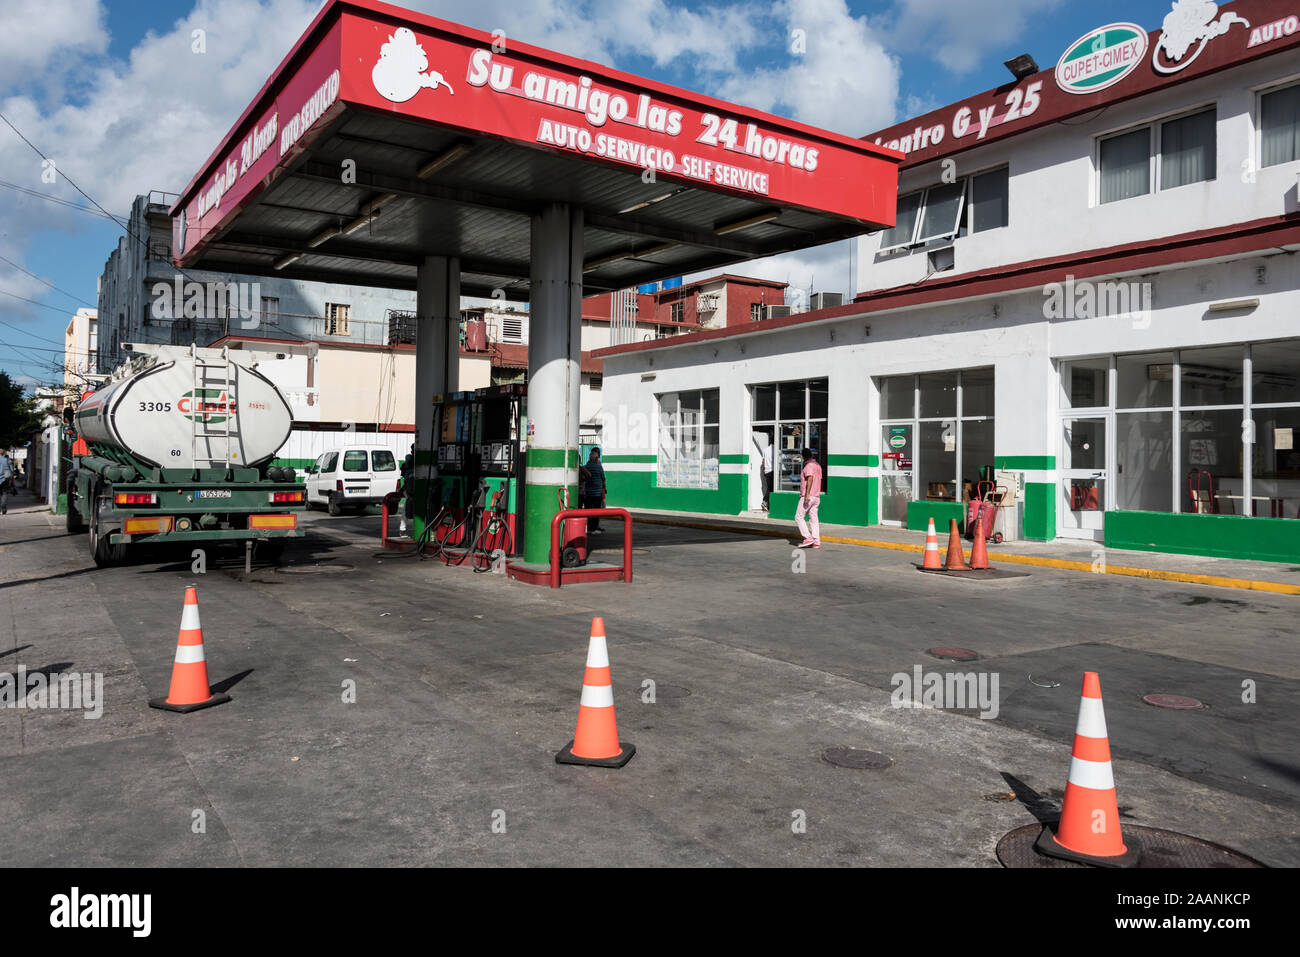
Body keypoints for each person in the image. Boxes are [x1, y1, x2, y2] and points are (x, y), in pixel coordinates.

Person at [795, 447, 822, 549]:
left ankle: (808, 538)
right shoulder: (817, 466)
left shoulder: (809, 466)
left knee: (799, 516)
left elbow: (810, 479)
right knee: (814, 519)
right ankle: (816, 540)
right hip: (816, 496)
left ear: (803, 456)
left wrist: (806, 494)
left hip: (809, 496)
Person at [579, 447, 606, 533]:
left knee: (588, 510)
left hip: (588, 493)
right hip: (597, 493)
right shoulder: (599, 467)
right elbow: (603, 478)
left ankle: (588, 528)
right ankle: (594, 528)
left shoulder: (586, 467)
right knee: (596, 511)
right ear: (596, 458)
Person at [760, 432, 774, 510]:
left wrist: (764, 470)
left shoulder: (765, 450)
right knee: (771, 489)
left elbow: (763, 462)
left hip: (767, 471)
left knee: (769, 488)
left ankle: (767, 504)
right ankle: (765, 502)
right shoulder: (776, 449)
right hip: (773, 471)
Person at [0, 449, 14, 516]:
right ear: (3, 453)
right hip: (5, 479)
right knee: (4, 493)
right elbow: (11, 471)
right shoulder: (7, 460)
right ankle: (3, 507)